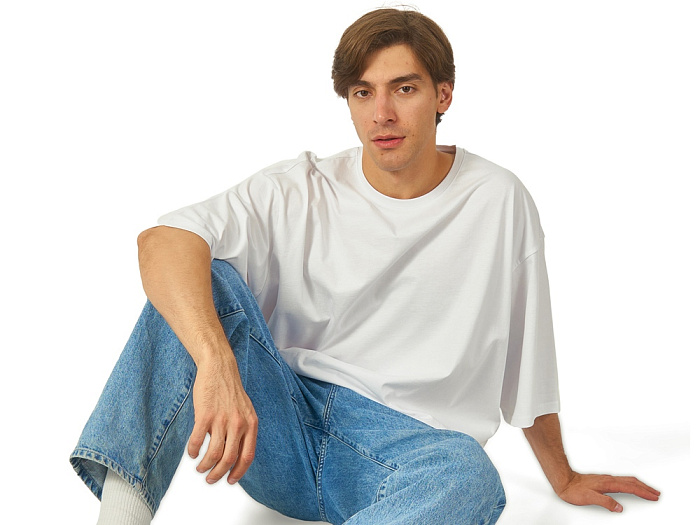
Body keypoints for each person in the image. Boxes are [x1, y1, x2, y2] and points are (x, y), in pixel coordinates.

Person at [70, 8, 660, 524]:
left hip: (411, 453)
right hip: (281, 427)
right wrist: (216, 362)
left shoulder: (498, 199)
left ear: (443, 95)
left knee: (470, 475)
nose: (382, 113)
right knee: (200, 277)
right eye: (362, 93)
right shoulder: (300, 188)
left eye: (404, 89)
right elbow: (163, 241)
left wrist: (563, 476)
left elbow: (528, 356)